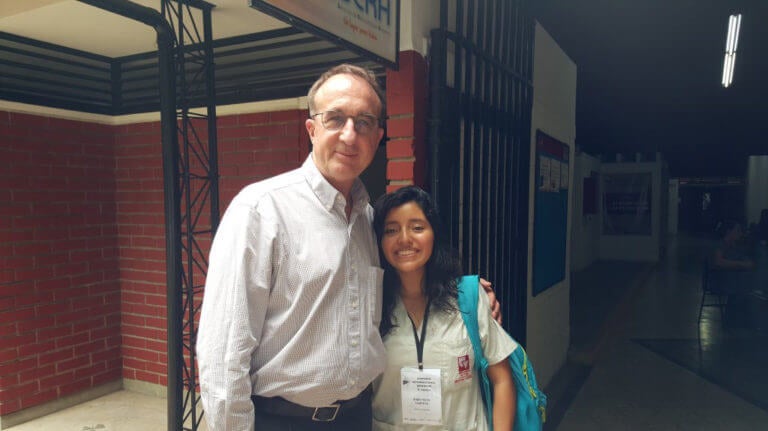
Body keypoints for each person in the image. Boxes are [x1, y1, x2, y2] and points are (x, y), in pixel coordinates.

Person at [197, 64, 500, 431]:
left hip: (358, 417)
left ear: (378, 138)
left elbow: (406, 281)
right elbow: (224, 353)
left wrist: (468, 292)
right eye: (335, 118)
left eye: (364, 122)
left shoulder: (368, 222)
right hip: (282, 420)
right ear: (312, 129)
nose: (349, 135)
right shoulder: (261, 211)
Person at [371, 186, 517, 430]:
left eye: (417, 227)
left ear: (434, 234)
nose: (404, 238)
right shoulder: (370, 306)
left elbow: (501, 379)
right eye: (391, 230)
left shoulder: (468, 298)